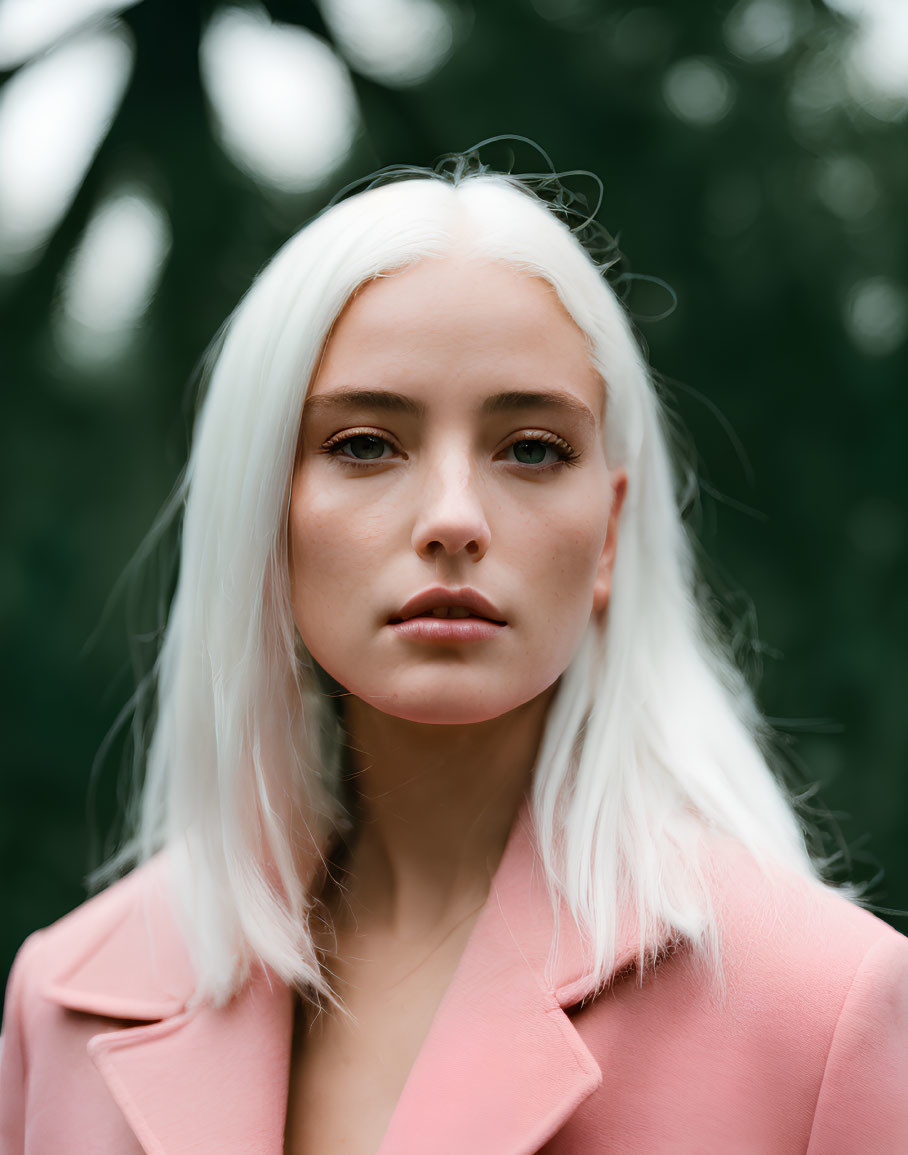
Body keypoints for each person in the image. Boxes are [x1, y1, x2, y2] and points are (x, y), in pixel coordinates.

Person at [1, 154, 906, 1155]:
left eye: (529, 449)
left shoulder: (825, 1013)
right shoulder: (66, 1003)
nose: (452, 519)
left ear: (607, 533)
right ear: (260, 514)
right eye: (363, 444)